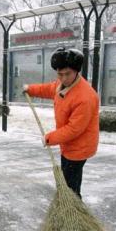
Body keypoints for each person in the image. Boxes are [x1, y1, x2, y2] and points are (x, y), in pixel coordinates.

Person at [23, 47, 99, 199]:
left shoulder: (85, 97)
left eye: (67, 74)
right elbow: (49, 89)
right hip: (69, 145)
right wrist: (30, 89)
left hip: (79, 147)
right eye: (60, 74)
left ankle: (74, 215)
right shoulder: (62, 84)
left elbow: (74, 129)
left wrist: (49, 138)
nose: (63, 78)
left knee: (70, 187)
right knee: (69, 183)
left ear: (76, 71)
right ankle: (71, 209)